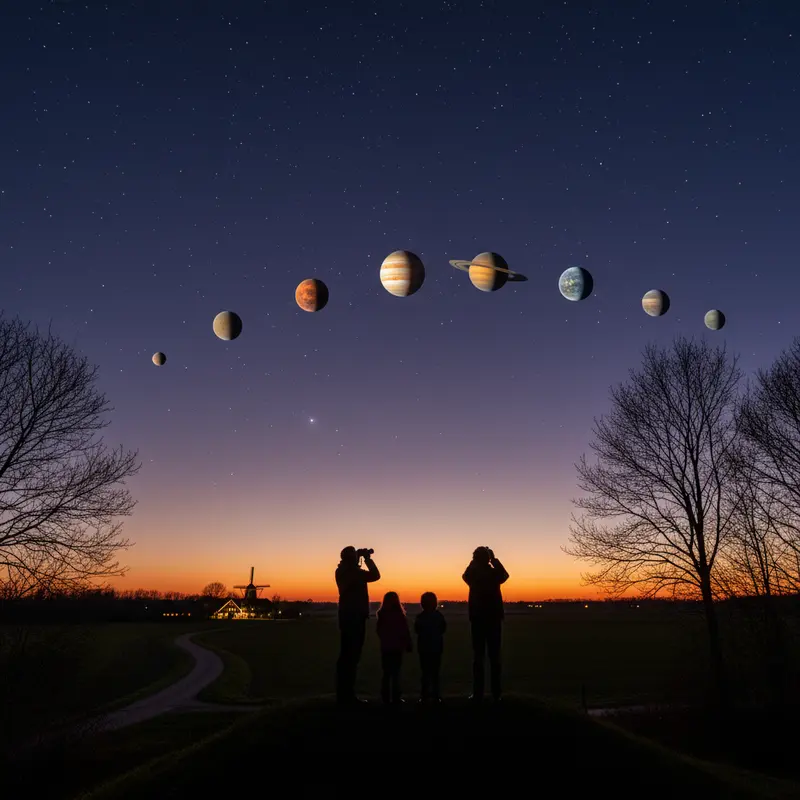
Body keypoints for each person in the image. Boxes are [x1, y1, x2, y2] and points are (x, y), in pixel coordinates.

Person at [462, 546, 509, 702]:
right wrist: (494, 560)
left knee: (478, 657)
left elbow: (465, 576)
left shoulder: (474, 573)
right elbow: (505, 575)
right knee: (495, 657)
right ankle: (496, 694)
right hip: (494, 617)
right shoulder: (494, 573)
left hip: (478, 618)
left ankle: (478, 693)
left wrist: (473, 562)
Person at [335, 546, 380, 705]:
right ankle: (347, 696)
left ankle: (344, 694)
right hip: (354, 618)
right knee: (351, 656)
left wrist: (358, 557)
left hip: (348, 616)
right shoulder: (353, 572)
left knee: (347, 656)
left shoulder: (342, 571)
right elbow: (376, 575)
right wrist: (367, 559)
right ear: (351, 558)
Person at [375, 591, 412, 704]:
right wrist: (407, 643)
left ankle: (385, 697)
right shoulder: (400, 616)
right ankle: (396, 697)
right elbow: (405, 631)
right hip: (397, 647)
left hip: (386, 647)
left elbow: (379, 631)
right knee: (396, 673)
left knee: (386, 673)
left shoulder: (382, 615)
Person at [414, 591, 447, 702]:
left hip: (424, 647)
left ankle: (424, 695)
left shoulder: (420, 617)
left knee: (425, 672)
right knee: (435, 672)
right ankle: (436, 695)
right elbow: (443, 629)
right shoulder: (439, 616)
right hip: (436, 647)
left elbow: (417, 630)